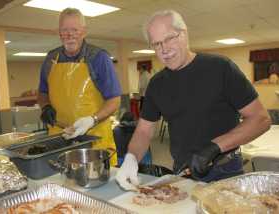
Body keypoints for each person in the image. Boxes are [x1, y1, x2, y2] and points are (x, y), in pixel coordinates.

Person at [116, 10, 271, 190]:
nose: (164, 49)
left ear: (184, 34)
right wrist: (131, 158)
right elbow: (143, 131)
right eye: (157, 44)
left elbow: (261, 119)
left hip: (225, 171)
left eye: (169, 39)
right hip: (183, 172)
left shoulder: (220, 68)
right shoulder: (156, 84)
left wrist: (214, 148)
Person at [37, 8, 121, 165]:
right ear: (59, 32)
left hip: (93, 138)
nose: (69, 35)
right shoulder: (50, 59)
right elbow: (42, 92)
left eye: (74, 30)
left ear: (84, 32)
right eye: (64, 30)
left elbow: (114, 100)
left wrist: (92, 119)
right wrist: (45, 106)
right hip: (60, 137)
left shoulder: (98, 58)